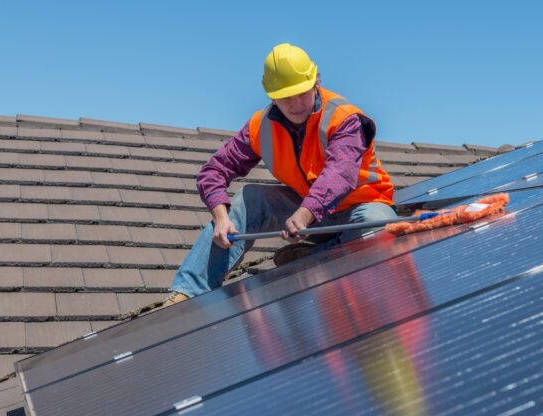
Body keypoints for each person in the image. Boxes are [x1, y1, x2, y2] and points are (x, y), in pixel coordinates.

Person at [163, 43, 396, 306]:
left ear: (316, 82)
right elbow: (213, 171)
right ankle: (187, 294)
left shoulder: (343, 118)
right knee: (250, 199)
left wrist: (304, 214)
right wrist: (220, 218)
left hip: (359, 210)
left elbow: (340, 174)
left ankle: (319, 254)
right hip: (308, 215)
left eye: (302, 93)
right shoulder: (259, 126)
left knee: (380, 228)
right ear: (271, 95)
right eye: (285, 97)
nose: (295, 104)